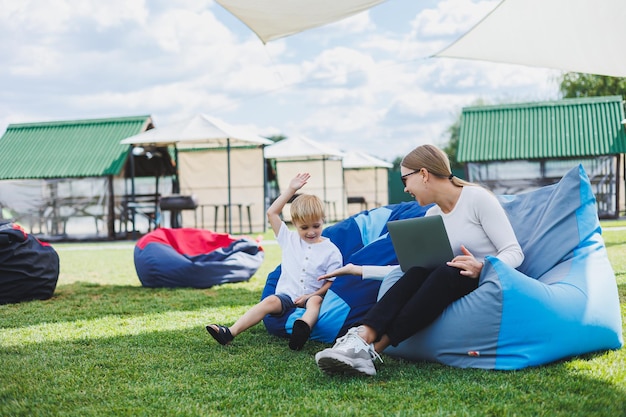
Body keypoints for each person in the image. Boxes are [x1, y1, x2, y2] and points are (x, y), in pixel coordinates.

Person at [314, 144, 524, 376]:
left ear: (423, 174)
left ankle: (373, 349)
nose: (405, 189)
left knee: (446, 271)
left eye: (405, 179)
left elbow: (514, 251)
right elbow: (408, 272)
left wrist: (482, 266)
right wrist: (358, 270)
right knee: (418, 271)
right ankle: (364, 336)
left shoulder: (476, 198)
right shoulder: (432, 216)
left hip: (482, 279)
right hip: (444, 281)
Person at [206, 173, 343, 350]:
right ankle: (229, 333)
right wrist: (291, 189)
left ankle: (301, 331)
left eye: (316, 226)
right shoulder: (289, 239)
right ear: (294, 223)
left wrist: (311, 295)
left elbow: (332, 282)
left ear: (323, 220)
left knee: (315, 303)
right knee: (269, 301)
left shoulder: (331, 250)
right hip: (287, 295)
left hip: (312, 296)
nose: (311, 232)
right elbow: (272, 212)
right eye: (304, 227)